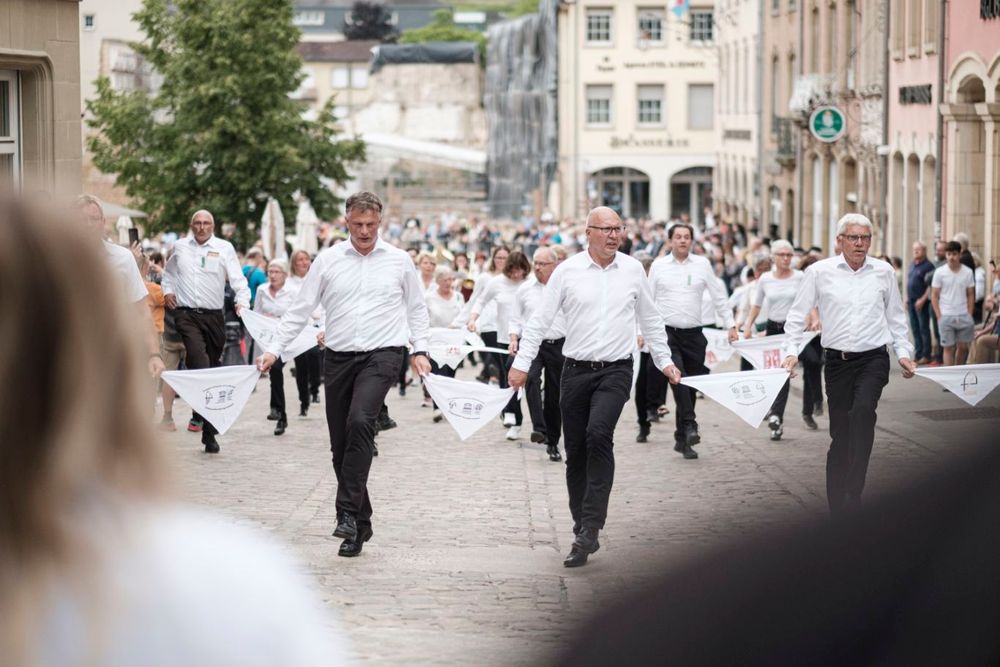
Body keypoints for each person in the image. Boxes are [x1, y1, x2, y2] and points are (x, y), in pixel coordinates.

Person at [0, 198, 346, 666]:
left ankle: (207, 420)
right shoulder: (228, 585)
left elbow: (162, 301)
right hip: (188, 320)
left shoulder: (136, 259)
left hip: (210, 317)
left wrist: (228, 310)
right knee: (202, 363)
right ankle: (206, 420)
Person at [257, 192, 431, 559]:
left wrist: (420, 349)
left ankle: (346, 512)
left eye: (371, 224)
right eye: (358, 224)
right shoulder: (328, 260)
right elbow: (300, 308)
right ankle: (360, 524)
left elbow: (416, 308)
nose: (365, 231)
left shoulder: (399, 261)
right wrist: (273, 349)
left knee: (361, 420)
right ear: (346, 222)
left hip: (383, 355)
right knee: (340, 446)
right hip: (337, 357)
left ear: (380, 222)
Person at [508, 207, 681, 568]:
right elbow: (539, 322)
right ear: (588, 232)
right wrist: (522, 364)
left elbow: (650, 318)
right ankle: (580, 524)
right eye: (606, 229)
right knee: (576, 451)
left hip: (615, 371)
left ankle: (592, 525)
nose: (614, 235)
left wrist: (664, 361)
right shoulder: (567, 272)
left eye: (618, 228)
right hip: (575, 371)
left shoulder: (633, 270)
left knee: (599, 435)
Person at [782, 214, 916, 515]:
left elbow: (896, 317)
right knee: (841, 435)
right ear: (840, 240)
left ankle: (854, 492)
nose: (860, 243)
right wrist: (791, 352)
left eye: (865, 238)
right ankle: (837, 503)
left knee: (864, 410)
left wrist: (904, 352)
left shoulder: (883, 272)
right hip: (838, 363)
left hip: (874, 358)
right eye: (854, 237)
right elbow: (796, 315)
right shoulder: (819, 272)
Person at [162, 210, 250, 453]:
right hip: (186, 314)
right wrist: (168, 290)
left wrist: (243, 302)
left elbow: (238, 279)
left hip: (214, 318)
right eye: (197, 223)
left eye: (206, 223)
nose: (201, 227)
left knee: (211, 369)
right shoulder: (179, 247)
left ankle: (202, 420)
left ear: (213, 226)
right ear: (191, 225)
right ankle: (209, 431)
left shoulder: (224, 248)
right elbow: (168, 274)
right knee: (199, 364)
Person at [648, 223, 738, 459]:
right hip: (667, 334)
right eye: (678, 237)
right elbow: (647, 302)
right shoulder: (658, 267)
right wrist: (641, 331)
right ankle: (690, 424)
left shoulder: (702, 265)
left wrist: (730, 324)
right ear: (670, 241)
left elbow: (719, 297)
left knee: (692, 384)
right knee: (678, 379)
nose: (682, 241)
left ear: (692, 241)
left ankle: (683, 439)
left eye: (687, 237)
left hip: (695, 335)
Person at [74, 194, 165, 378]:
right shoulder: (57, 259)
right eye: (82, 220)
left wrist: (154, 354)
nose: (88, 225)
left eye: (93, 219)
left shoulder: (123, 258)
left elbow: (142, 311)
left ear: (103, 222)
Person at [742, 240, 804, 439]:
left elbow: (809, 302)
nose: (786, 258)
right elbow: (756, 305)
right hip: (772, 329)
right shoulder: (766, 279)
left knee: (784, 372)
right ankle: (774, 415)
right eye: (782, 255)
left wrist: (814, 318)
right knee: (773, 373)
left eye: (789, 255)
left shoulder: (800, 277)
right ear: (774, 258)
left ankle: (776, 416)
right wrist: (748, 326)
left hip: (792, 330)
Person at [467, 250, 531, 440]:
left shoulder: (529, 284)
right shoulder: (496, 283)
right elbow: (480, 301)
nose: (516, 275)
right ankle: (513, 416)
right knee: (508, 376)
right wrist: (473, 319)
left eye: (520, 271)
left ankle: (528, 418)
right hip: (504, 337)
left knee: (529, 379)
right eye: (513, 270)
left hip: (528, 338)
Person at [509, 247, 565, 461]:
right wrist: (513, 338)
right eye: (536, 263)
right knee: (530, 378)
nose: (538, 267)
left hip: (558, 345)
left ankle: (553, 441)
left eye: (543, 264)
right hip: (532, 344)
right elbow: (515, 317)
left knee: (554, 394)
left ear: (555, 265)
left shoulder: (563, 287)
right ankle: (539, 429)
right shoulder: (525, 289)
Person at [254, 259, 298, 436]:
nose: (272, 275)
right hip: (267, 338)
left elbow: (298, 315)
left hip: (287, 338)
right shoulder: (261, 290)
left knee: (276, 367)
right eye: (270, 271)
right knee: (274, 371)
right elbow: (256, 314)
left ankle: (277, 409)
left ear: (285, 274)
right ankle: (280, 415)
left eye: (276, 272)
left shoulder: (292, 292)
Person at [424, 265, 465, 423]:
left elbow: (463, 316)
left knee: (450, 375)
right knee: (438, 374)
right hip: (436, 340)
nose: (449, 283)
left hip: (455, 341)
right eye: (445, 280)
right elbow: (424, 318)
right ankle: (436, 407)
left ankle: (447, 405)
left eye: (451, 279)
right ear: (438, 281)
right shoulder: (429, 297)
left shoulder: (458, 296)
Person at [931, 241, 976, 367]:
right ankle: (950, 381)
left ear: (959, 254)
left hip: (963, 315)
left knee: (962, 347)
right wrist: (939, 316)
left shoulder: (967, 272)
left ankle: (958, 374)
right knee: (948, 348)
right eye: (949, 254)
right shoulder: (939, 272)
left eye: (954, 254)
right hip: (946, 315)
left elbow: (971, 294)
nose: (951, 257)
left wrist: (969, 314)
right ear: (946, 255)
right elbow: (934, 295)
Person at [288, 249, 322, 414]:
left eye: (306, 259)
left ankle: (315, 389)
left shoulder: (315, 279)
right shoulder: (289, 283)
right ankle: (304, 401)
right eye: (299, 260)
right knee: (300, 366)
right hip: (297, 329)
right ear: (294, 263)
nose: (303, 263)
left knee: (315, 358)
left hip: (313, 327)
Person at [906, 241, 935, 364]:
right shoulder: (912, 264)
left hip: (922, 302)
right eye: (914, 249)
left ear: (925, 251)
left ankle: (926, 355)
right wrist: (907, 298)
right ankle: (918, 354)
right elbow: (909, 282)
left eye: (918, 249)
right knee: (915, 329)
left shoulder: (929, 266)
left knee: (924, 329)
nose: (916, 252)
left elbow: (931, 286)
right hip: (911, 301)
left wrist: (922, 299)